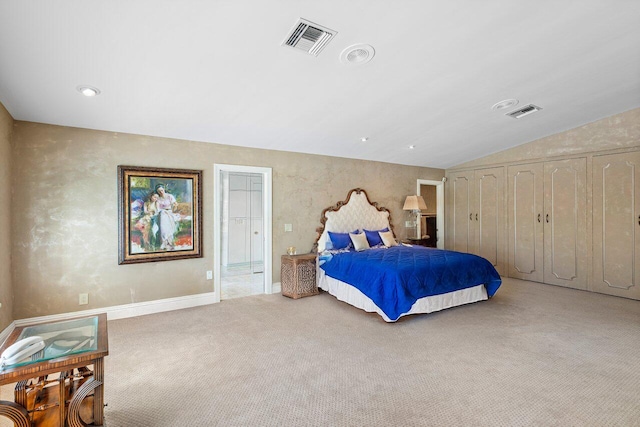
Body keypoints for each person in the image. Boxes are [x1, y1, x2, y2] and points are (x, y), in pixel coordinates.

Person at [155, 184, 178, 250]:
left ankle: (170, 243)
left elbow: (175, 205)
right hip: (162, 213)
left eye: (162, 190)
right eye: (159, 191)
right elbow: (158, 208)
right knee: (163, 223)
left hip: (170, 212)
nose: (161, 192)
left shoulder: (170, 196)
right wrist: (161, 211)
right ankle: (164, 243)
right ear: (157, 192)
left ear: (164, 189)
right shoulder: (158, 199)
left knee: (169, 225)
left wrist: (175, 206)